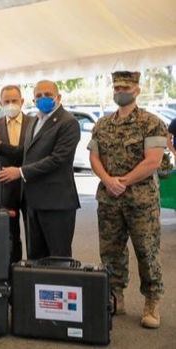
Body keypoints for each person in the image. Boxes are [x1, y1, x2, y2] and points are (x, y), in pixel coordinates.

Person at [87, 71, 167, 329]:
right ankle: (115, 297)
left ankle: (152, 302)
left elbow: (153, 161)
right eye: (117, 86)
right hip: (109, 199)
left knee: (146, 251)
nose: (120, 90)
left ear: (137, 90)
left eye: (126, 86)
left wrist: (123, 181)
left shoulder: (151, 122)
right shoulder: (102, 124)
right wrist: (109, 180)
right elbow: (94, 158)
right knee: (110, 251)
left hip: (141, 201)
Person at [0, 80, 80, 259]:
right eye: (38, 96)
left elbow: (57, 159)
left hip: (56, 204)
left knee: (58, 258)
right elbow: (26, 152)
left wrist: (20, 172)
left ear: (58, 97)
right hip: (35, 202)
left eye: (48, 95)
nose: (43, 99)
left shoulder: (68, 122)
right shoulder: (37, 120)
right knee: (36, 258)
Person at [0, 85, 33, 263]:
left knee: (33, 234)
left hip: (30, 184)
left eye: (14, 100)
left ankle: (33, 271)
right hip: (5, 186)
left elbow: (29, 153)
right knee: (10, 234)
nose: (11, 104)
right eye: (7, 101)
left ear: (22, 102)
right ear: (0, 103)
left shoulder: (34, 124)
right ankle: (13, 271)